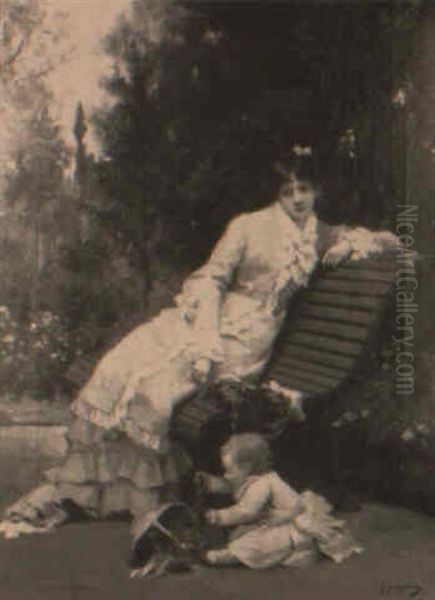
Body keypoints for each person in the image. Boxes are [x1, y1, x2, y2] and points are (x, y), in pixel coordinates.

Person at [0, 147, 398, 539]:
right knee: (120, 368)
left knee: (156, 394)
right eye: (287, 190)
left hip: (246, 347)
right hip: (206, 326)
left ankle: (144, 496)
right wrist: (206, 342)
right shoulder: (248, 227)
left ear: (317, 191)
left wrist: (347, 245)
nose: (297, 198)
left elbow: (387, 241)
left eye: (304, 189)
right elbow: (211, 279)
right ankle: (98, 491)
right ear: (276, 195)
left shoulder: (321, 235)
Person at [201, 433, 363, 569]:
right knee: (241, 534)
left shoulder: (263, 483)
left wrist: (218, 516)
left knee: (257, 544)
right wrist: (211, 484)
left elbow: (247, 511)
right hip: (270, 519)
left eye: (229, 470)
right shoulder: (253, 477)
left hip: (291, 524)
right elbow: (233, 486)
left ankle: (228, 557)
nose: (226, 475)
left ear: (247, 467)